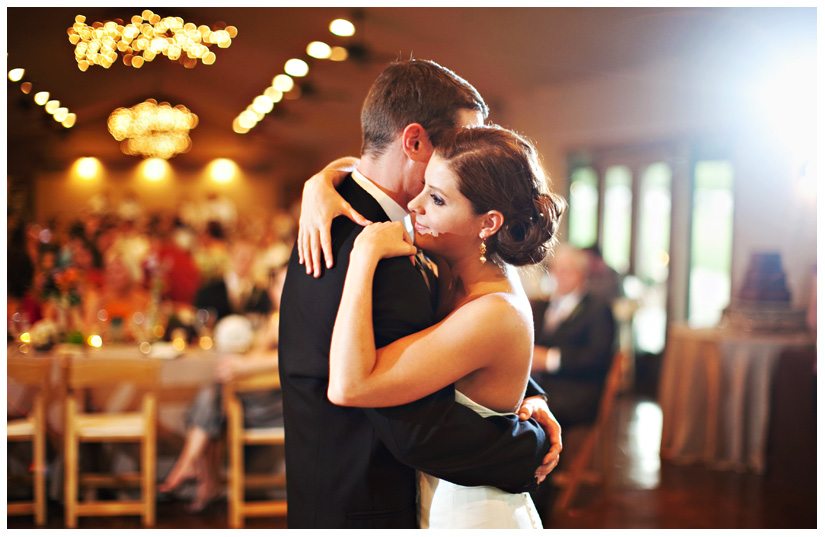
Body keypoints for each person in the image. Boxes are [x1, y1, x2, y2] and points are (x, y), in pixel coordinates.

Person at [279, 59, 561, 529]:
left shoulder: (391, 227)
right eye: (456, 142)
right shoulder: (366, 241)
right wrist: (528, 444)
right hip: (361, 503)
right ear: (414, 142)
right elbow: (416, 428)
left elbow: (453, 347)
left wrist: (520, 393)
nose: (466, 155)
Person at [532, 243, 617, 428]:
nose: (559, 276)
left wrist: (549, 360)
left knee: (527, 413)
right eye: (555, 270)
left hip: (575, 391)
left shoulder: (598, 309)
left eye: (567, 271)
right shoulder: (540, 306)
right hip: (540, 386)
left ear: (581, 273)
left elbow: (598, 358)